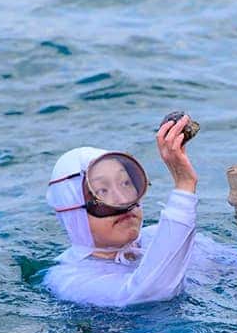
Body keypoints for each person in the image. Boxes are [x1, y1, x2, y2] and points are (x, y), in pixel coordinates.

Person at [43, 114, 202, 307]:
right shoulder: (69, 280)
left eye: (126, 183)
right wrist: (184, 185)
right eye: (101, 191)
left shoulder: (160, 237)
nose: (122, 200)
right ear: (74, 212)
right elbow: (150, 292)